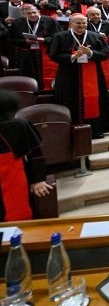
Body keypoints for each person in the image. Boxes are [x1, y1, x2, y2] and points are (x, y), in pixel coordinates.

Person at [49, 13, 109, 139]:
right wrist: (73, 56)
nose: (81, 26)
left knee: (94, 100)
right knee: (69, 100)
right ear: (71, 24)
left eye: (84, 23)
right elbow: (53, 55)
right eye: (78, 23)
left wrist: (90, 53)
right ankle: (72, 129)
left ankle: (95, 130)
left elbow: (106, 54)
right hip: (68, 75)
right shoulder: (60, 36)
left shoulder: (95, 36)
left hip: (93, 74)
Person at [0, 89, 53, 222]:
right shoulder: (21, 124)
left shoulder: (19, 125)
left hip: (13, 176)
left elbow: (35, 154)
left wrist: (38, 179)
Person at [9, 4, 60, 90]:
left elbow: (58, 37)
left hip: (45, 53)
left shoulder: (50, 21)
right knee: (29, 75)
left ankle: (45, 92)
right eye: (29, 13)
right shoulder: (17, 23)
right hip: (27, 55)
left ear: (38, 12)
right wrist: (25, 41)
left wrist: (45, 40)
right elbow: (11, 39)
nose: (32, 15)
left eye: (34, 12)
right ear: (24, 14)